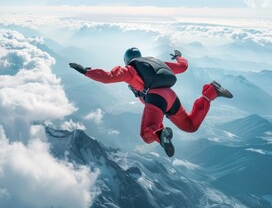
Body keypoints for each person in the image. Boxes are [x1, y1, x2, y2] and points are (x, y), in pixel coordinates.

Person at [69, 47, 233, 157]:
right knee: (190, 126)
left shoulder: (130, 70)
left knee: (147, 134)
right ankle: (211, 92)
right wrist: (178, 56)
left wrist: (86, 71)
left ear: (127, 60)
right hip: (170, 96)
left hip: (157, 99)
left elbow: (107, 77)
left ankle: (160, 133)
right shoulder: (156, 63)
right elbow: (182, 67)